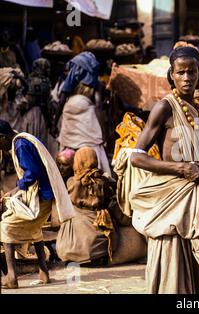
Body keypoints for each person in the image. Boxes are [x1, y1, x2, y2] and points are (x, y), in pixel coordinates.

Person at [128, 46, 199, 293]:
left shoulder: (197, 108)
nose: (187, 77)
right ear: (172, 75)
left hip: (197, 199)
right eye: (181, 72)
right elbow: (137, 157)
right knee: (173, 268)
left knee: (198, 272)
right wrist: (181, 168)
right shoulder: (164, 107)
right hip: (173, 201)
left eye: (192, 72)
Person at [0, 132, 74, 289]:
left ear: (2, 137)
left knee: (5, 227)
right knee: (35, 228)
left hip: (42, 196)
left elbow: (31, 173)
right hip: (45, 195)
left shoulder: (20, 145)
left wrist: (16, 190)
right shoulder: (23, 140)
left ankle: (11, 277)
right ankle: (44, 272)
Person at [56, 147, 117, 265]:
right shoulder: (103, 180)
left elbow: (68, 202)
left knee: (71, 213)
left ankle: (75, 254)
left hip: (77, 231)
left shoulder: (72, 182)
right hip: (99, 244)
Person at [55, 52, 111, 176]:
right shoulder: (95, 84)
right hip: (86, 118)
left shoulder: (72, 78)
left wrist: (54, 123)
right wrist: (104, 132)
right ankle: (91, 177)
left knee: (68, 151)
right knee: (90, 150)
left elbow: (61, 101)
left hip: (69, 115)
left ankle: (69, 178)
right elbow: (99, 108)